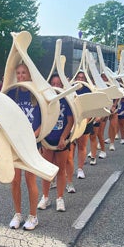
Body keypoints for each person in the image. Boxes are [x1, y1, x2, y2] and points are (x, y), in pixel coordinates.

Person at [7, 63, 41, 230]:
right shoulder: (13, 93)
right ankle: (18, 213)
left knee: (30, 180)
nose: (21, 76)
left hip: (32, 144)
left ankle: (33, 216)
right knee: (15, 180)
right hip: (15, 142)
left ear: (29, 74)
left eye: (23, 73)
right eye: (18, 73)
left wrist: (31, 137)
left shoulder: (37, 94)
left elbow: (45, 121)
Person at [37, 74, 73, 212]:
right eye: (53, 83)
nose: (56, 86)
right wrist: (42, 139)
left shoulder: (66, 100)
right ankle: (45, 197)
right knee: (47, 170)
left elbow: (70, 121)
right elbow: (40, 120)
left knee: (60, 169)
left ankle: (60, 198)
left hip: (61, 140)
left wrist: (63, 138)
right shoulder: (45, 101)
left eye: (59, 83)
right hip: (48, 140)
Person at [67, 70, 91, 186]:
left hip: (85, 120)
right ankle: (68, 173)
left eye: (82, 78)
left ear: (86, 79)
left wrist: (88, 120)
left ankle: (80, 168)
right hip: (71, 122)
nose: (80, 79)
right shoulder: (70, 88)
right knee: (70, 149)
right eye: (78, 77)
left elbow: (92, 107)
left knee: (82, 145)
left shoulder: (89, 89)